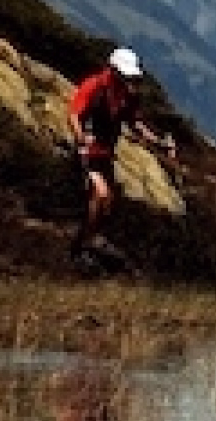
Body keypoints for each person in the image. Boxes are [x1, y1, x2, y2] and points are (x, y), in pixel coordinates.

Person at [66, 46, 175, 265]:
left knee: (109, 202)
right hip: (87, 151)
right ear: (113, 70)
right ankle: (84, 245)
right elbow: (75, 114)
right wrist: (80, 138)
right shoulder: (94, 86)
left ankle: (87, 241)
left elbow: (135, 123)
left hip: (106, 154)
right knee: (101, 193)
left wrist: (158, 142)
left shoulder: (127, 95)